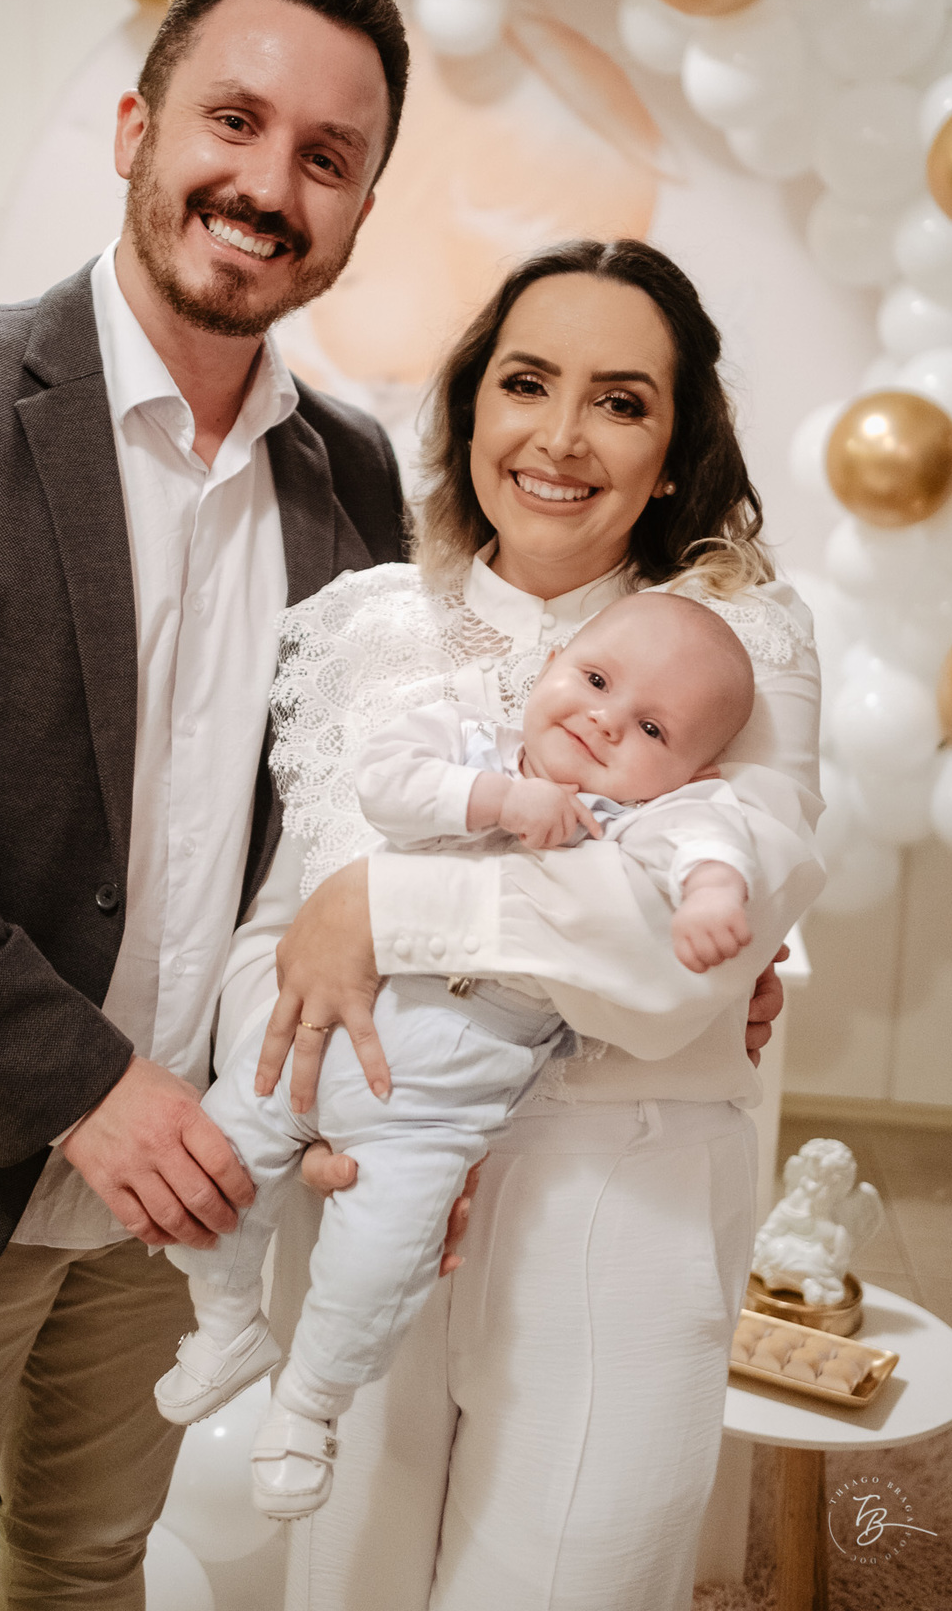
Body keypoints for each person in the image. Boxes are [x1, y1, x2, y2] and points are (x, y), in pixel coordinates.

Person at [0, 0, 410, 1609]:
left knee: (91, 1566)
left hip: (180, 1205)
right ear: (136, 129)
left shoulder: (355, 478)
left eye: (327, 158)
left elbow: (364, 804)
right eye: (235, 121)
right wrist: (87, 1089)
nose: (269, 186)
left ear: (359, 204)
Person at [210, 238, 824, 1611]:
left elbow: (672, 959)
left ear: (675, 450)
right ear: (470, 408)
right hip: (375, 1190)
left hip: (623, 1207)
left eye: (620, 400)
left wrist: (384, 905)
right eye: (525, 383)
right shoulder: (359, 629)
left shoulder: (741, 643)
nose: (559, 437)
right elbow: (271, 945)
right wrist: (308, 1089)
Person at [153, 591, 763, 1520]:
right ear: (552, 665)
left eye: (648, 726)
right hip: (321, 1039)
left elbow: (711, 844)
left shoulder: (642, 819)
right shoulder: (470, 736)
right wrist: (500, 800)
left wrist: (714, 895)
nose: (604, 719)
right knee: (219, 1171)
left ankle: (307, 1411)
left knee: (376, 1267)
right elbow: (383, 785)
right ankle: (227, 1326)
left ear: (689, 768)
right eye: (594, 681)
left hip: (434, 1107)